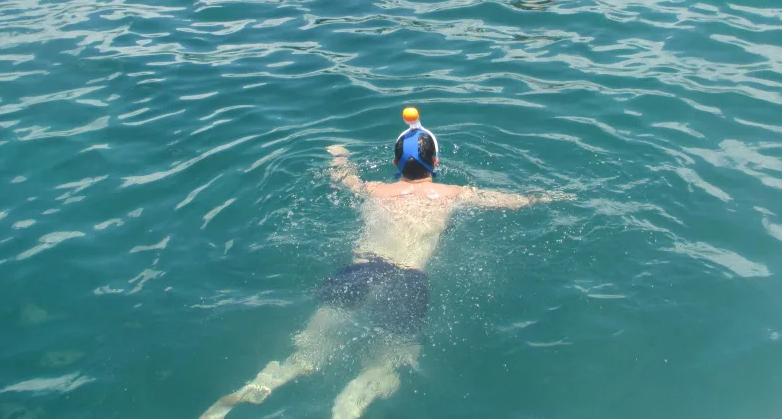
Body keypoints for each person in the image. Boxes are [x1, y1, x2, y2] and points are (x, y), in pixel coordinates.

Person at [201, 108, 567, 419]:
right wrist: (547, 197)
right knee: (386, 361)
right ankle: (350, 403)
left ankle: (261, 384)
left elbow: (342, 177)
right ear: (436, 162)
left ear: (395, 163)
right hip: (408, 279)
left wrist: (340, 155)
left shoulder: (373, 190)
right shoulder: (452, 194)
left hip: (362, 269)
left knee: (312, 343)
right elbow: (509, 201)